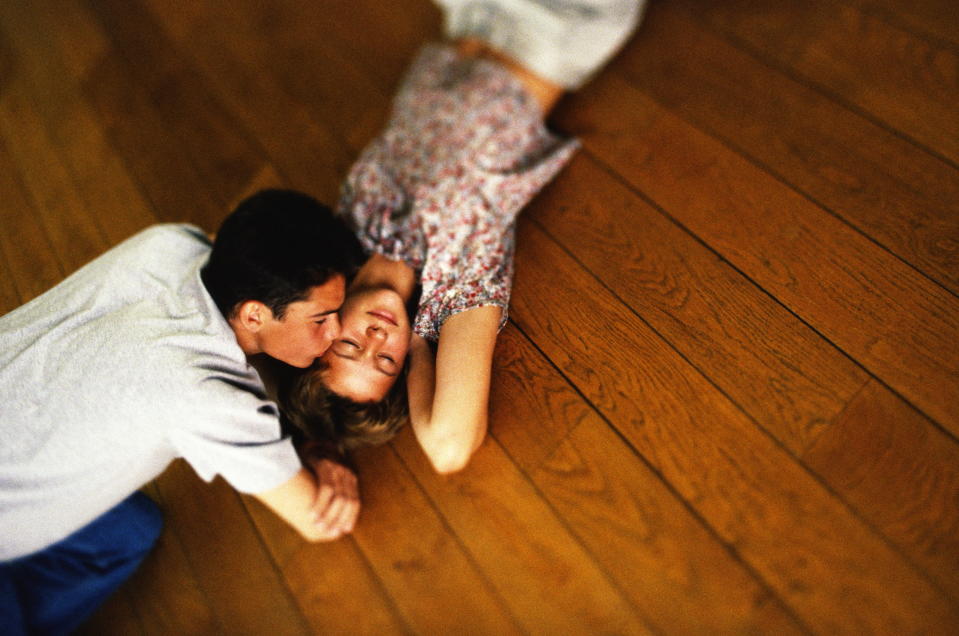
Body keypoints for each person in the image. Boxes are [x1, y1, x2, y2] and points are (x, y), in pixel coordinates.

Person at [281, 0, 645, 473]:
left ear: (323, 331)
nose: (376, 337)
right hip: (555, 27)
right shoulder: (455, 295)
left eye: (350, 347)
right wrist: (413, 348)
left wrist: (311, 445)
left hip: (468, 16)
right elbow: (447, 448)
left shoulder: (342, 240)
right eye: (384, 362)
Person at [0, 189, 364, 634]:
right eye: (321, 318)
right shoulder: (202, 394)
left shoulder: (171, 243)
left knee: (131, 530)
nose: (339, 329)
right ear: (252, 315)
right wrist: (326, 452)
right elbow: (316, 517)